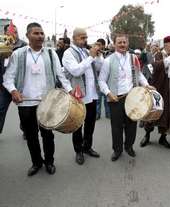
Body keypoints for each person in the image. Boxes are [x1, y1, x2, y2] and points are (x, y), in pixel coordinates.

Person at [3, 22, 72, 176]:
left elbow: (61, 76)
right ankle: (36, 162)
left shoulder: (50, 53)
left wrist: (70, 91)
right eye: (36, 33)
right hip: (25, 104)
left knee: (48, 135)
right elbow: (8, 77)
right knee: (31, 136)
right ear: (28, 36)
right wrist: (14, 91)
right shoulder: (18, 54)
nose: (40, 36)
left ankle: (49, 162)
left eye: (42, 33)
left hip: (47, 103)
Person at [98, 34, 153, 161]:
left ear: (127, 43)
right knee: (116, 126)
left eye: (124, 42)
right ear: (114, 44)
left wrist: (147, 85)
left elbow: (139, 75)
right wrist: (108, 93)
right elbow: (101, 81)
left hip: (132, 97)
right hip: (115, 99)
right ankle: (117, 150)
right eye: (119, 42)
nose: (122, 45)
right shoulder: (108, 61)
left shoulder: (133, 58)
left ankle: (129, 146)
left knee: (132, 124)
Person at [62, 28, 103, 165]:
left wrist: (98, 56)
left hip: (92, 95)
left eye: (86, 37)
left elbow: (98, 67)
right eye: (81, 37)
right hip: (79, 96)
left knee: (90, 124)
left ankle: (87, 147)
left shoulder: (86, 51)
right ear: (74, 38)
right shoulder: (69, 53)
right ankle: (78, 151)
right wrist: (91, 56)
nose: (85, 40)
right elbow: (76, 71)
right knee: (77, 125)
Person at [139, 35, 170, 149]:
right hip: (158, 90)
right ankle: (147, 135)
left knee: (167, 115)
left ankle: (163, 138)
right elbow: (153, 68)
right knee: (152, 114)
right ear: (166, 45)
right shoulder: (158, 55)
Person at [0, 23, 27, 136]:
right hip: (4, 85)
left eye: (15, 32)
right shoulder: (1, 45)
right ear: (5, 33)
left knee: (24, 111)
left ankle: (25, 129)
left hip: (20, 84)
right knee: (1, 108)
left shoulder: (24, 45)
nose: (14, 34)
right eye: (11, 32)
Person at [95, 38, 110, 120]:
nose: (98, 46)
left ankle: (108, 113)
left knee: (106, 97)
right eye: (97, 44)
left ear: (103, 45)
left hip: (106, 79)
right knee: (98, 98)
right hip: (97, 78)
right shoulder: (95, 54)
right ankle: (97, 114)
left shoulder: (107, 53)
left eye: (99, 45)